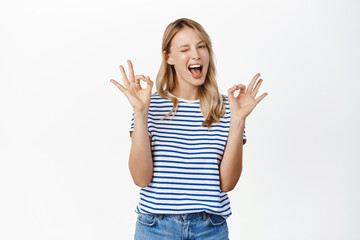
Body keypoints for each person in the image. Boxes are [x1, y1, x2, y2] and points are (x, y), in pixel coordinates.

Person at [110, 18, 268, 240]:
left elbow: (227, 183)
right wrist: (140, 113)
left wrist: (239, 121)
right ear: (169, 57)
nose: (196, 55)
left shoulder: (230, 107)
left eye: (201, 46)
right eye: (185, 49)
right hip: (156, 228)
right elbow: (141, 178)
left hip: (210, 228)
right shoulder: (148, 104)